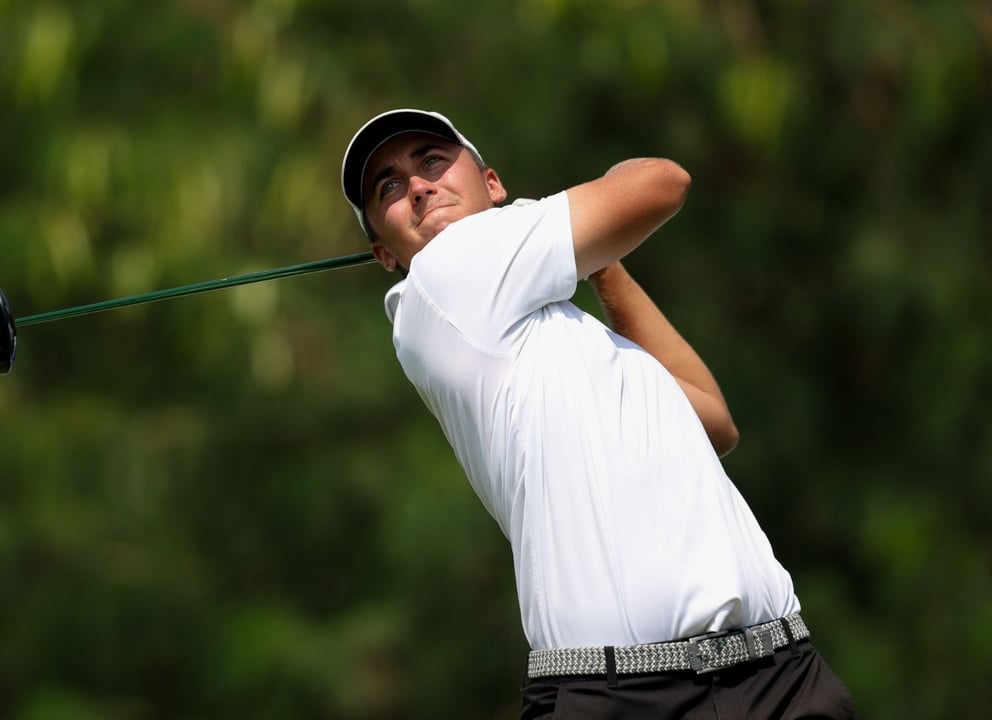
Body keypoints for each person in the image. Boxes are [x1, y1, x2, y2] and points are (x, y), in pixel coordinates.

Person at [340, 109, 854, 719]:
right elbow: (661, 181)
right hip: (631, 697)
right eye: (390, 188)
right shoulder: (443, 277)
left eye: (431, 161)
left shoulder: (566, 339)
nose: (418, 186)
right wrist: (559, 225)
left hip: (780, 676)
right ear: (384, 253)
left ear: (493, 183)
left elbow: (713, 423)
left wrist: (598, 261)